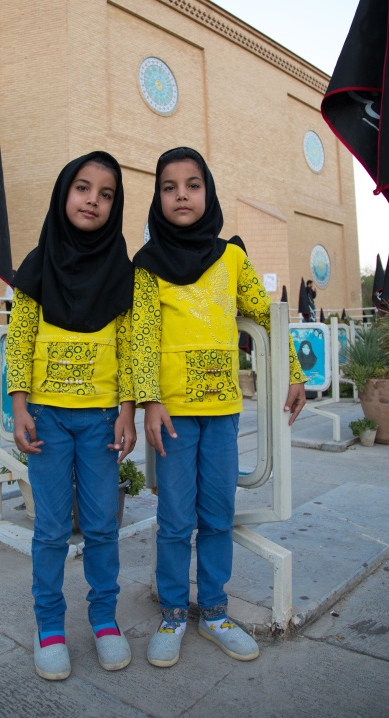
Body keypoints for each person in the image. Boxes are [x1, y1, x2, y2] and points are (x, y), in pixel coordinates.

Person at [131, 147, 307, 668]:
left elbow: (268, 317)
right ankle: (171, 613)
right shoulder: (145, 267)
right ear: (157, 198)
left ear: (208, 193)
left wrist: (293, 373)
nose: (181, 194)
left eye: (192, 184)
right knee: (173, 517)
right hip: (173, 418)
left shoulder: (232, 258)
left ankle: (213, 610)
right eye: (169, 186)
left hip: (223, 413)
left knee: (217, 513)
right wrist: (150, 402)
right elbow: (141, 339)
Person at [6, 152, 136, 681]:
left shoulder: (120, 272)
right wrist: (18, 405)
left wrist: (126, 410)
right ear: (64, 194)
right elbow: (18, 341)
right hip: (48, 418)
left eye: (106, 195)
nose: (93, 201)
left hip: (103, 419)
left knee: (103, 525)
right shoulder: (38, 264)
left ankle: (104, 620)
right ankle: (49, 625)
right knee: (52, 527)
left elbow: (128, 346)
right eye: (83, 188)